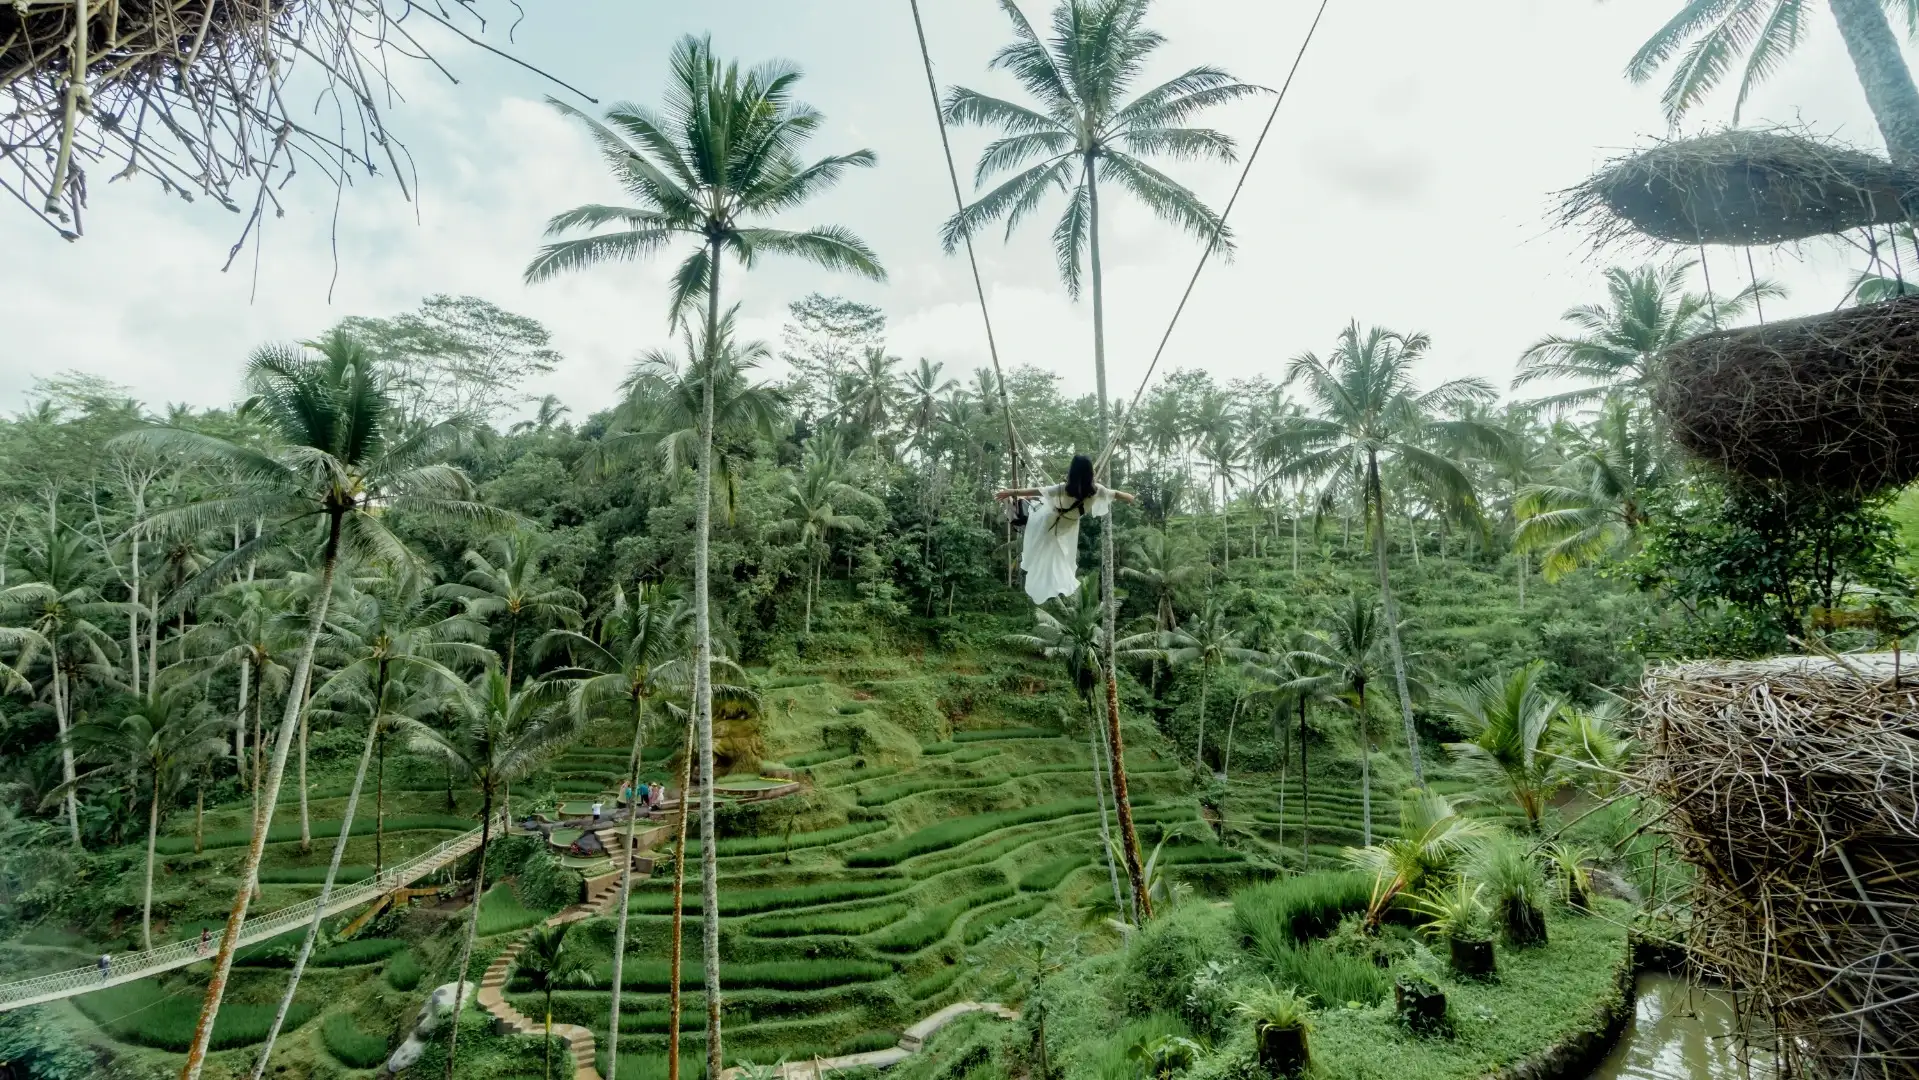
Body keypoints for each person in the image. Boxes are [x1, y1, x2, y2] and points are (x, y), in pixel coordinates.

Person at [994, 453, 1135, 605]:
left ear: (1072, 472)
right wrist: (1130, 498)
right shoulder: (1097, 490)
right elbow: (1117, 494)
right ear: (1090, 473)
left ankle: (1018, 508)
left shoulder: (1063, 489)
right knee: (1054, 555)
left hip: (1048, 522)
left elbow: (1036, 490)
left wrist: (1011, 492)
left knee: (1033, 517)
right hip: (1068, 526)